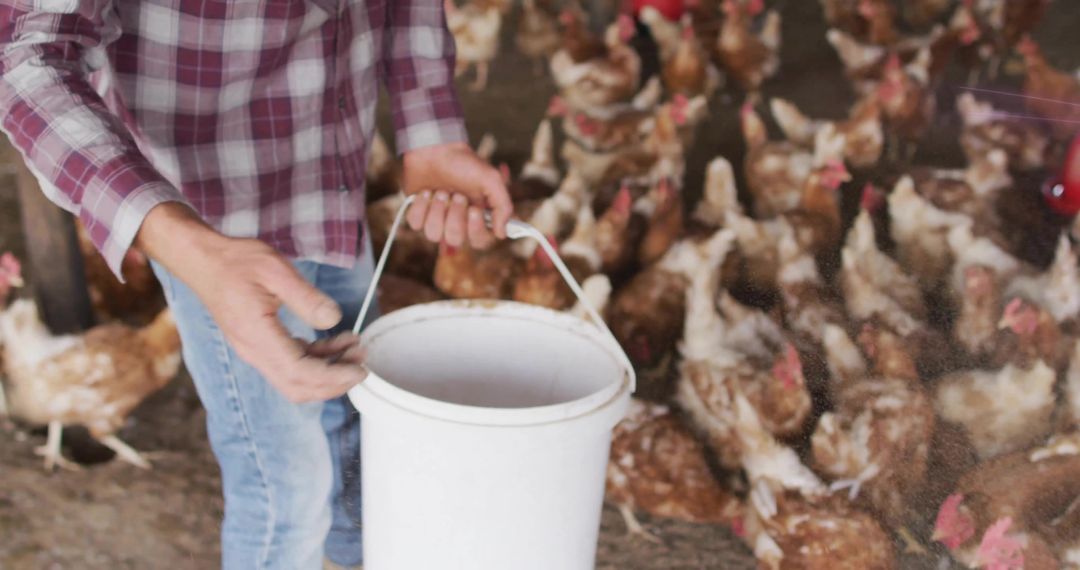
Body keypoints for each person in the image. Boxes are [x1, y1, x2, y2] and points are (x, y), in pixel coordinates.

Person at [0, 2, 512, 568]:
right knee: (284, 492)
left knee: (351, 419)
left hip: (334, 178)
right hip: (212, 218)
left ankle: (357, 556)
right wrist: (187, 245)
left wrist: (431, 130)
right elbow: (26, 57)